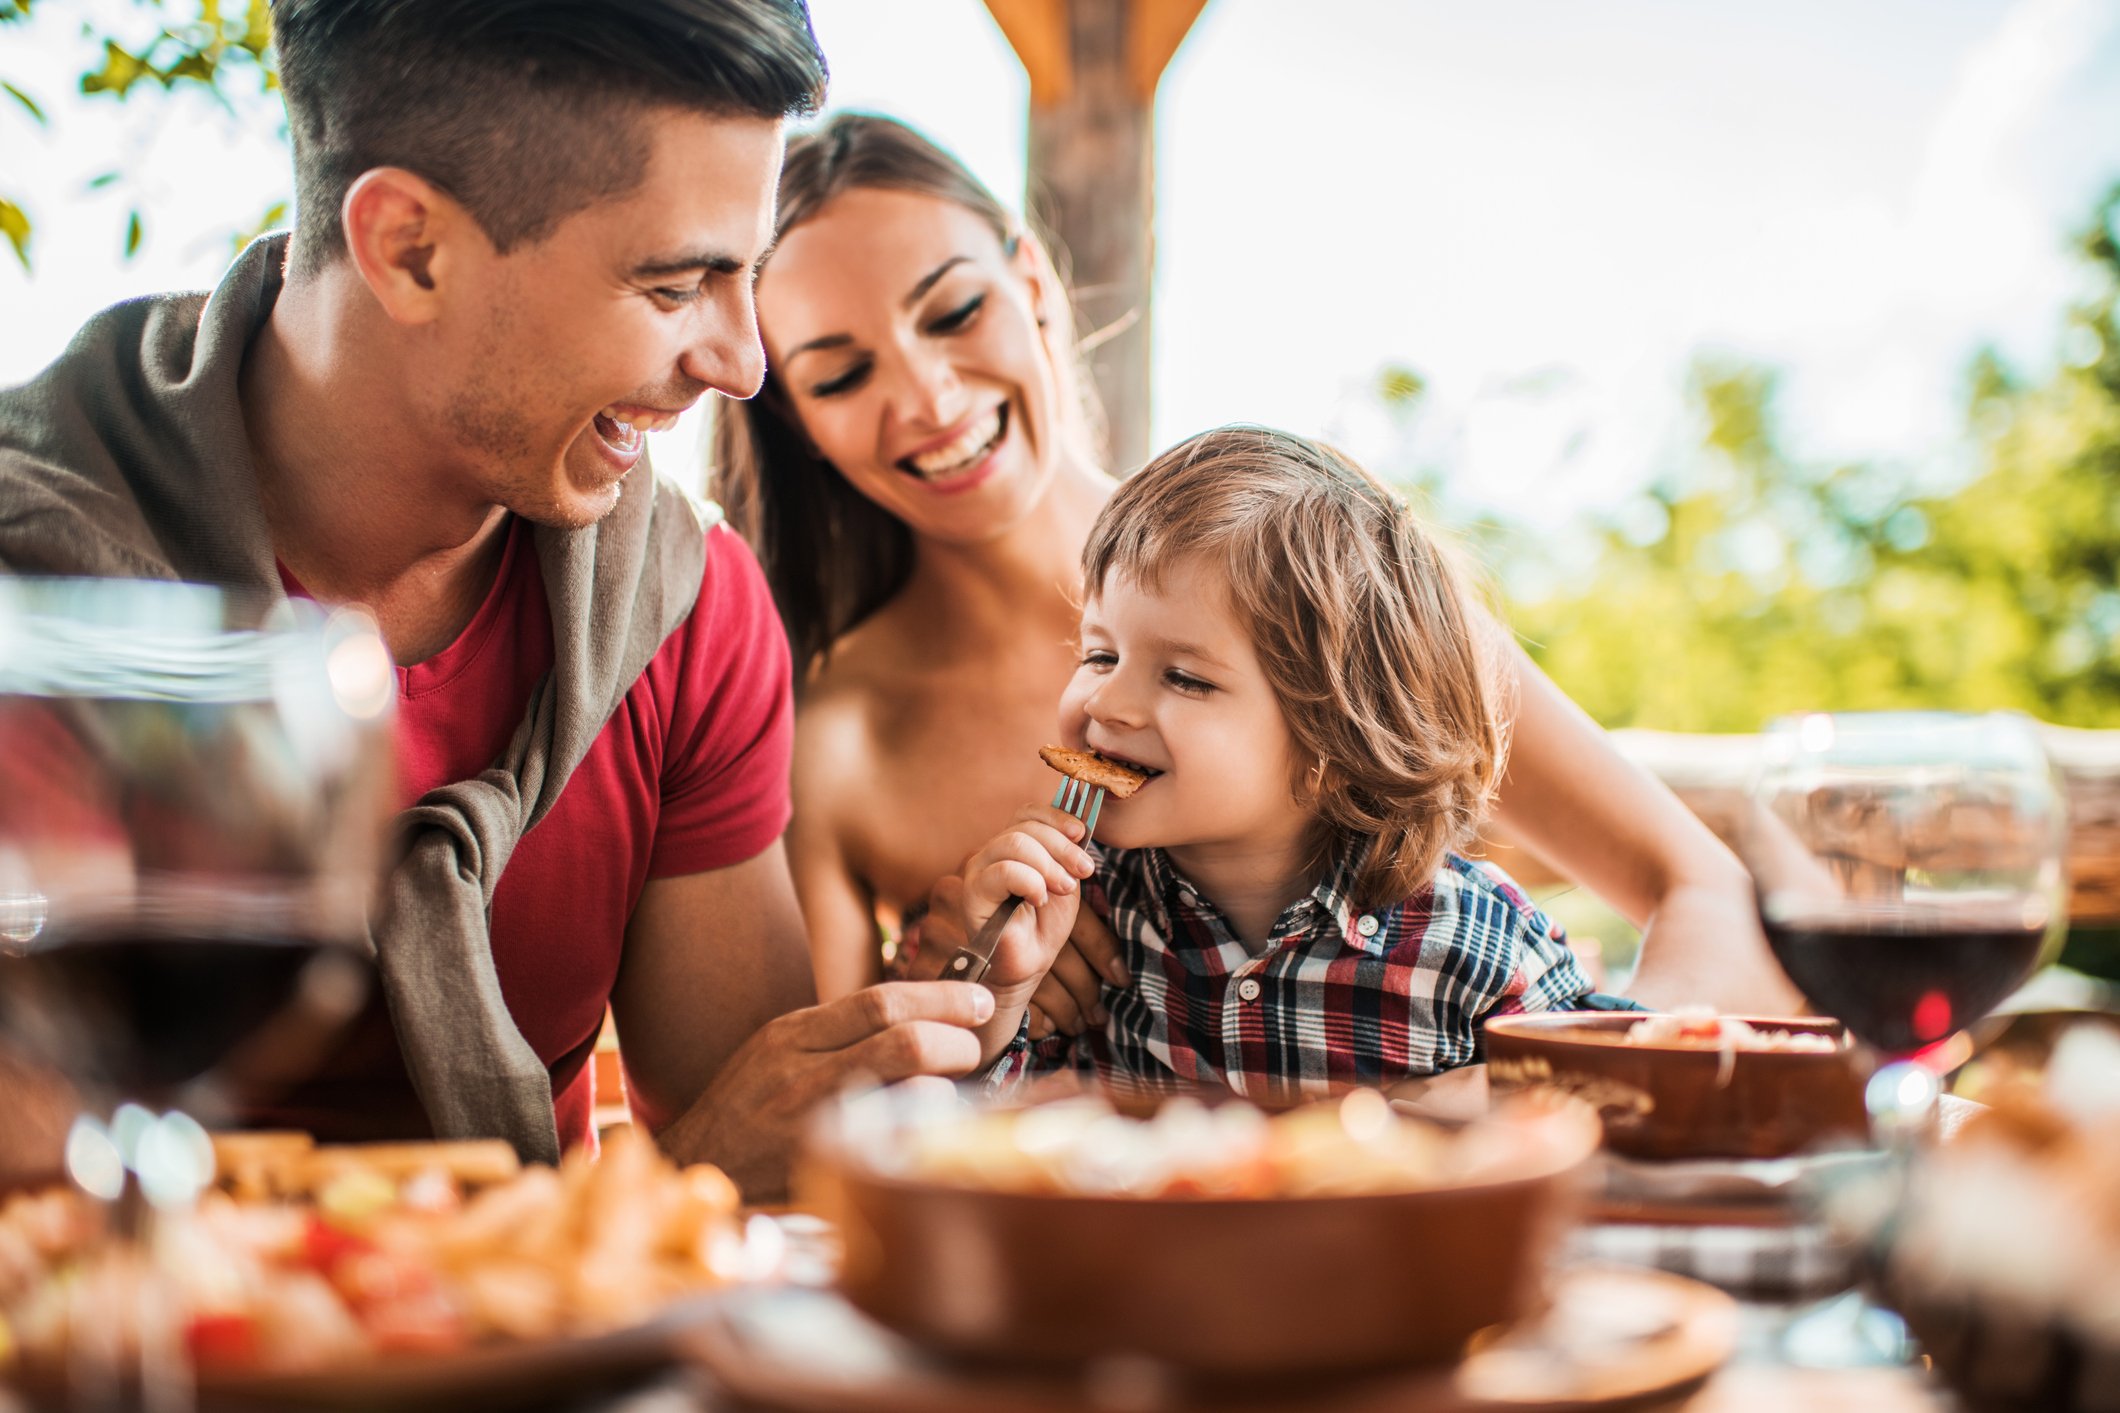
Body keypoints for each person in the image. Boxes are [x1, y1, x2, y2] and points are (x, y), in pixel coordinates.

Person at [0, 1, 994, 1200]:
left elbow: (754, 1159)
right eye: (679, 286)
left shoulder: (684, 609)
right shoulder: (33, 598)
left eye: (750, 278)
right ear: (410, 248)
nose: (742, 364)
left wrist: (959, 1003)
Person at [715, 113, 1802, 1033]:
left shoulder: (1308, 577)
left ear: (1031, 277)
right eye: (843, 373)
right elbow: (830, 1120)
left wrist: (1604, 1098)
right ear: (796, 420)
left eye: (954, 311)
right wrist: (945, 981)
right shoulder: (837, 738)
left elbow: (1696, 886)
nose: (926, 396)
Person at [944, 425, 1618, 1094]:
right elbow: (980, 1145)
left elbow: (1612, 1099)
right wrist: (999, 999)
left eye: (1184, 677)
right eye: (1100, 654)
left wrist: (1493, 1102)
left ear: (1336, 739)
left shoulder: (1471, 936)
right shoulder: (1078, 917)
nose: (1107, 701)